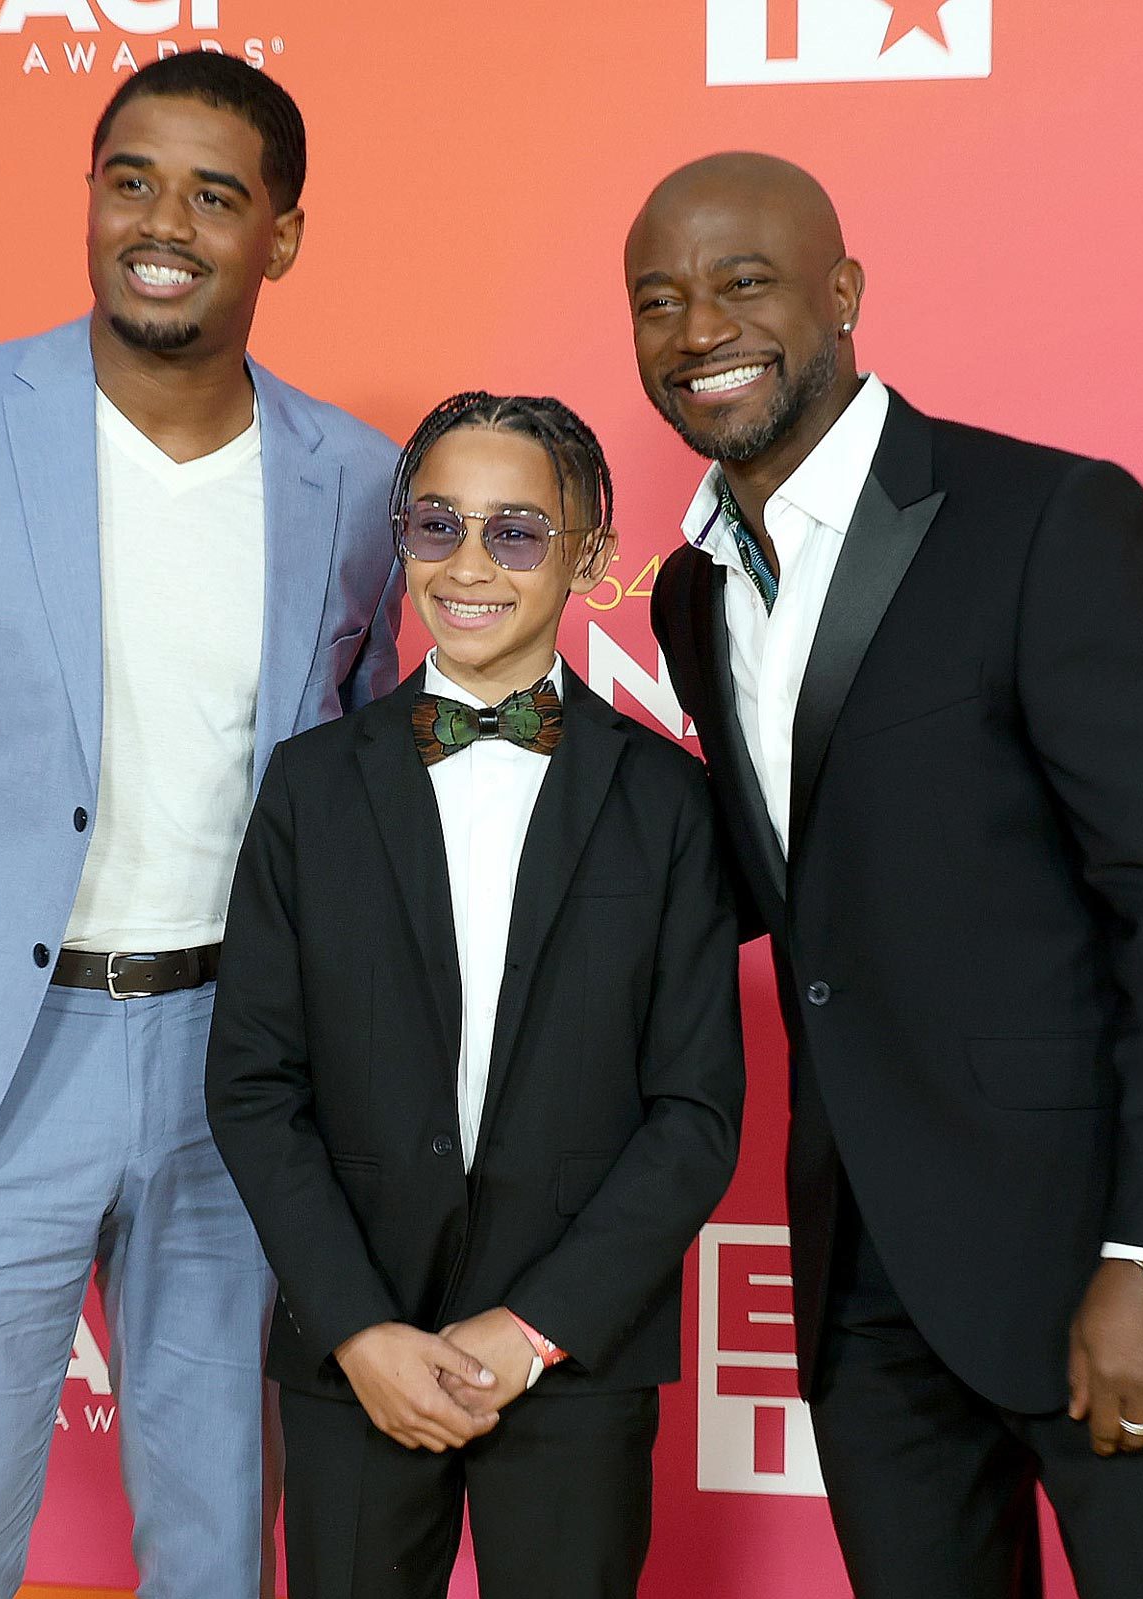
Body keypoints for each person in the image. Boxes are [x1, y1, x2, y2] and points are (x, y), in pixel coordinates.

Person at [0, 54, 402, 1599]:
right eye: (130, 180)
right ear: (93, 198)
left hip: (239, 1073)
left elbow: (364, 817)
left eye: (214, 195)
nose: (161, 223)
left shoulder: (360, 481)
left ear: (281, 239)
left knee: (223, 1533)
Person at [629, 153, 1143, 1599]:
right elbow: (793, 878)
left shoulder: (1049, 520)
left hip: (1090, 1247)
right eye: (659, 300)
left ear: (844, 294)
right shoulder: (691, 589)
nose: (700, 330)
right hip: (864, 1275)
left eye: (743, 283)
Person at [205, 393, 746, 1599]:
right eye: (437, 524)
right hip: (355, 1353)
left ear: (589, 556)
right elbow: (251, 1084)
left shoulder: (667, 803)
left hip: (576, 1355)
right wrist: (355, 1328)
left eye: (515, 533)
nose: (467, 566)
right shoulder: (310, 789)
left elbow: (696, 1112)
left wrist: (536, 1326)